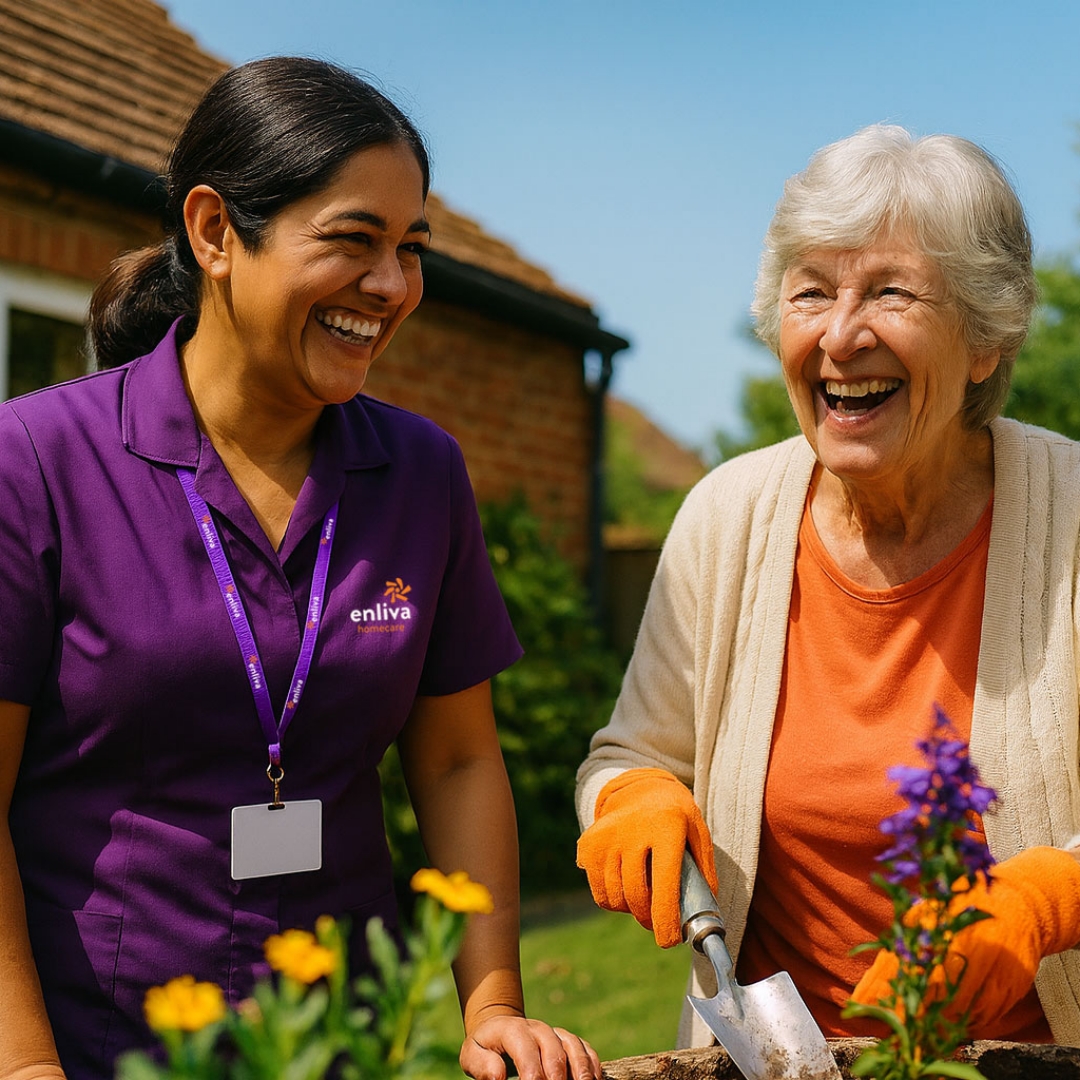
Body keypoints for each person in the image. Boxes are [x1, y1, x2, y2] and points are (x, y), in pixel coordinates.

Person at [0, 56, 600, 1080]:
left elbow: (456, 760)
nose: (392, 287)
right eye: (353, 241)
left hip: (342, 1041)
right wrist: (23, 1064)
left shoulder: (421, 471)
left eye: (411, 249)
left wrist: (492, 1002)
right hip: (103, 1043)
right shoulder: (36, 461)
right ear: (215, 232)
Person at [576, 124, 1080, 1049]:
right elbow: (629, 756)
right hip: (779, 1060)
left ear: (986, 339)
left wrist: (1049, 899)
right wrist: (629, 799)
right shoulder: (725, 515)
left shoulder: (1074, 519)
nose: (841, 335)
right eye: (811, 292)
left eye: (891, 292)